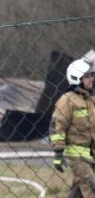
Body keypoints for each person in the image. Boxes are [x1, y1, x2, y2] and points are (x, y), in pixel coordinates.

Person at [50, 58, 95, 197]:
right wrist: (58, 153)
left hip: (91, 152)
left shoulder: (91, 99)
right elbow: (57, 128)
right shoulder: (67, 100)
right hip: (77, 154)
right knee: (91, 186)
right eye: (87, 76)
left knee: (78, 190)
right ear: (76, 78)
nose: (91, 80)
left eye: (92, 76)